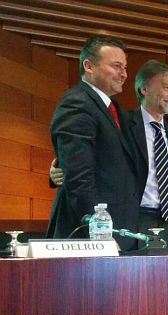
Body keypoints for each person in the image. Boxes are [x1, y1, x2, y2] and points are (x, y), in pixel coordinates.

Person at [46, 36, 140, 250]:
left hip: (119, 230)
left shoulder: (113, 108)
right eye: (116, 66)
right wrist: (100, 232)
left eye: (125, 67)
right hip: (91, 236)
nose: (124, 74)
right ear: (89, 66)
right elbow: (79, 178)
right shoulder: (77, 104)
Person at [128, 59, 168, 254]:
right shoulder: (124, 125)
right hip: (138, 219)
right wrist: (57, 169)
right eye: (167, 88)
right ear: (144, 89)